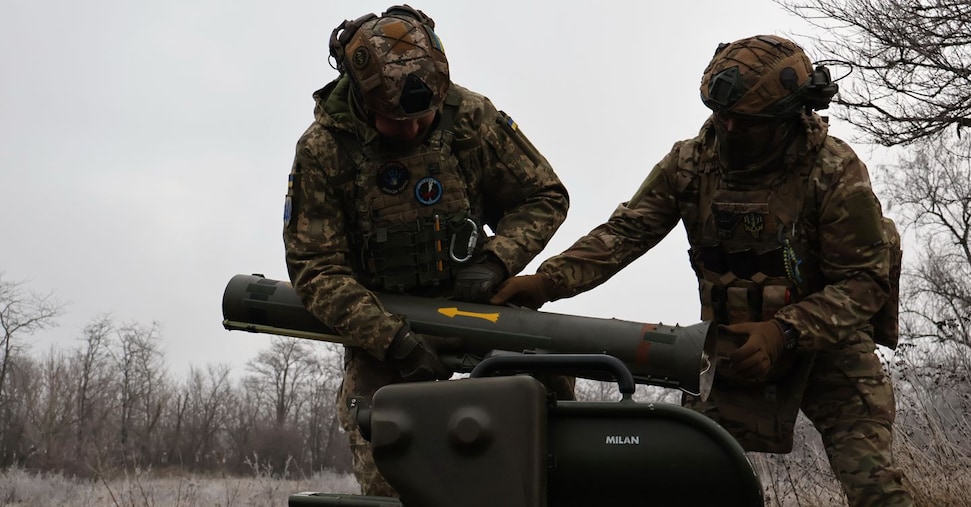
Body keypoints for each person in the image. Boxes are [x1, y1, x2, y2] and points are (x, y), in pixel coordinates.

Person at [491, 35, 913, 507]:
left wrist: (783, 332)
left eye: (745, 121)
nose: (728, 126)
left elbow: (864, 283)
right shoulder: (690, 164)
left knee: (875, 486)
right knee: (686, 475)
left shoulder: (833, 171)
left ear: (789, 116)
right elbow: (628, 232)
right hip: (734, 347)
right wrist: (549, 280)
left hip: (830, 350)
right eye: (719, 113)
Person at [282, 4, 571, 497]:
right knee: (399, 481)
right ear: (361, 96)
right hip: (384, 333)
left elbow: (544, 197)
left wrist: (496, 259)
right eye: (397, 122)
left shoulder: (471, 117)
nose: (415, 130)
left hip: (480, 316)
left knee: (539, 468)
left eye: (425, 117)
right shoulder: (324, 150)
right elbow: (315, 267)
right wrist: (392, 340)